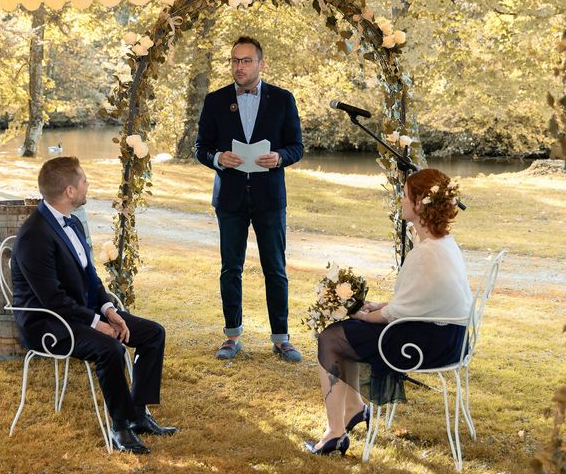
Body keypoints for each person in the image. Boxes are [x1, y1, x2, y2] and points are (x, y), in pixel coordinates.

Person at [11, 156, 177, 455]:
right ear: (70, 192)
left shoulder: (71, 222)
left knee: (153, 333)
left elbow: (90, 277)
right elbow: (53, 300)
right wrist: (97, 325)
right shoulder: (34, 235)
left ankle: (138, 414)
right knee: (110, 348)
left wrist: (109, 311)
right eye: (84, 180)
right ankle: (120, 427)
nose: (88, 185)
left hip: (79, 312)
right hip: (47, 323)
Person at [304, 168, 472, 455]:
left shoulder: (426, 253)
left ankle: (335, 433)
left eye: (405, 195)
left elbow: (394, 315)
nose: (401, 200)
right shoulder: (441, 243)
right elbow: (420, 297)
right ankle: (355, 409)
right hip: (451, 337)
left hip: (425, 344)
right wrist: (378, 306)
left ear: (420, 204)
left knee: (332, 338)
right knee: (347, 334)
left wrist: (361, 314)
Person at [195, 36, 304, 362]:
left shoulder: (283, 100)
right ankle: (232, 336)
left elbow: (297, 146)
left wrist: (280, 157)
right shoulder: (215, 100)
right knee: (231, 269)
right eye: (234, 61)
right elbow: (200, 147)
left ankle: (282, 339)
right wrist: (218, 158)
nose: (238, 67)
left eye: (245, 61)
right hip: (229, 199)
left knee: (276, 268)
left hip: (270, 198)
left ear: (261, 64)